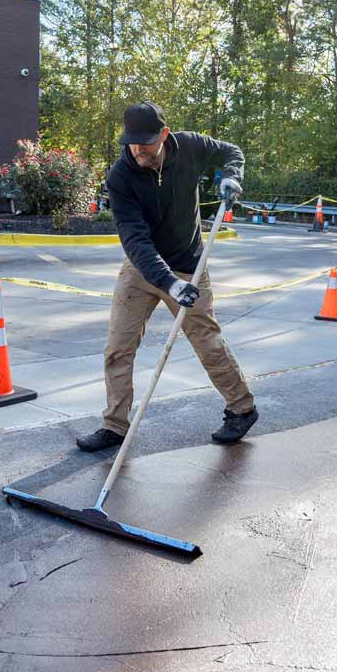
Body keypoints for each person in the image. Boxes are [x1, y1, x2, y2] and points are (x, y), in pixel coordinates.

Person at [77, 102, 258, 452]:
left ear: (164, 134)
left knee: (207, 342)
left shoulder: (188, 146)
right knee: (118, 347)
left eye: (145, 142)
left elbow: (231, 152)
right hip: (143, 268)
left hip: (189, 265)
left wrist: (233, 175)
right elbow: (135, 239)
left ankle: (242, 408)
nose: (138, 150)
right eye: (131, 142)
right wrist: (169, 283)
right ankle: (115, 425)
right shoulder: (120, 176)